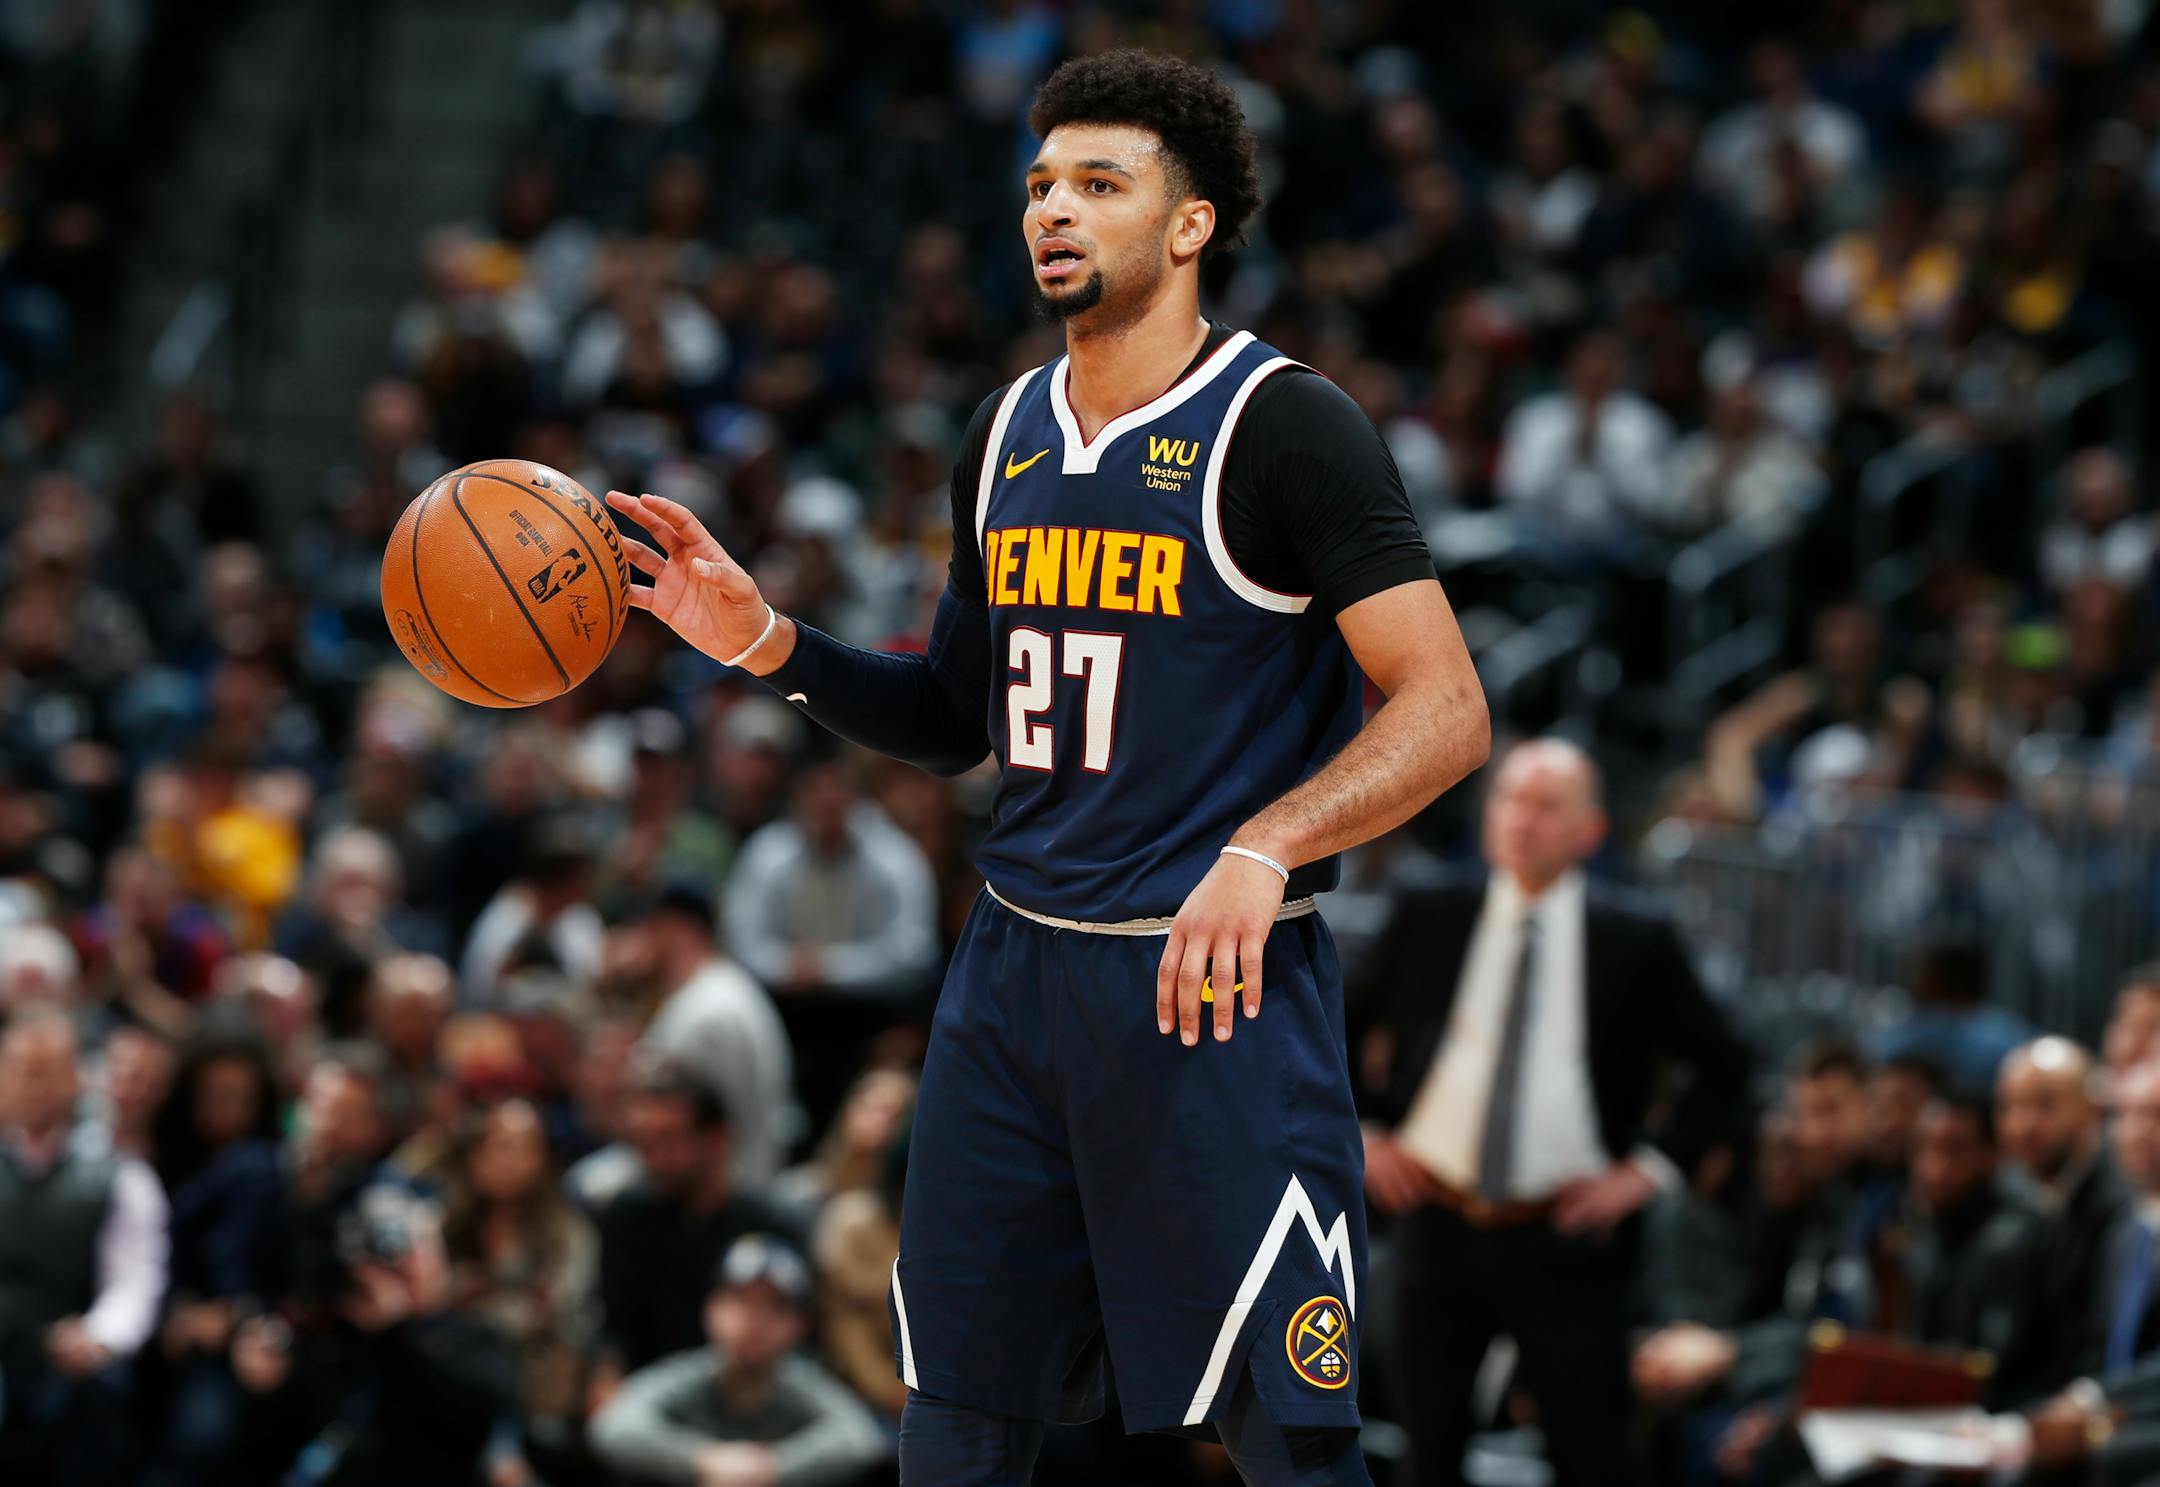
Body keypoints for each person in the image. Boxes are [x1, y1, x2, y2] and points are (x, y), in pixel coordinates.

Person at [606, 48, 1488, 1487]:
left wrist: (1267, 844)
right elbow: (958, 713)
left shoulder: (1284, 424)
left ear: (1191, 223)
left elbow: (1446, 707)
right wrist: (764, 639)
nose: (1053, 211)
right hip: (1012, 977)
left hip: (1207, 985)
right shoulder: (1006, 427)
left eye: (1098, 183)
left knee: (1290, 1436)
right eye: (1039, 186)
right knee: (955, 1412)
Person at [1359, 738, 1748, 1487]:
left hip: (1568, 1235)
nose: (1521, 818)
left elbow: (1727, 1064)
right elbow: (1336, 1021)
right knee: (1425, 1457)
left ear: (1590, 830)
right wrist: (1367, 1132)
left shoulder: (1635, 935)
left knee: (1591, 1456)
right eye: (1509, 799)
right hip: (1436, 1220)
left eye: (1546, 805)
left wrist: (1649, 1168)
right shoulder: (1432, 908)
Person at [0, 1010, 170, 1486]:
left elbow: (136, 1280)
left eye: (48, 1072)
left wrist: (99, 1336)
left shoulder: (119, 1174)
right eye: (22, 1070)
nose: (34, 1086)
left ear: (76, 1079)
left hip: (65, 1349)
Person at [590, 1233, 888, 1487]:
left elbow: (860, 1437)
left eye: (772, 1308)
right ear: (711, 1310)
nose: (753, 1322)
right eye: (741, 1302)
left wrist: (769, 1468)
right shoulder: (689, 1375)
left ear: (797, 1325)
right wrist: (703, 1460)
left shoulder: (800, 1382)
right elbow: (613, 1424)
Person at [595, 1069, 798, 1383]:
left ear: (717, 1139)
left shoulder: (770, 1226)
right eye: (643, 1141)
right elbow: (614, 1329)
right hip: (645, 1394)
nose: (653, 1156)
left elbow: (792, 1338)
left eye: (668, 1138)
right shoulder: (628, 1216)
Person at [638, 882, 796, 1187]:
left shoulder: (705, 1011)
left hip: (721, 1193)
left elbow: (691, 1136)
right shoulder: (724, 989)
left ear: (675, 930)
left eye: (650, 929)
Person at [1998, 1037, 2123, 1387]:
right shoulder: (2012, 1199)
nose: (2024, 1124)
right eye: (2012, 1106)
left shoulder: (2119, 1214)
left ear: (2093, 1110)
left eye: (2045, 1105)